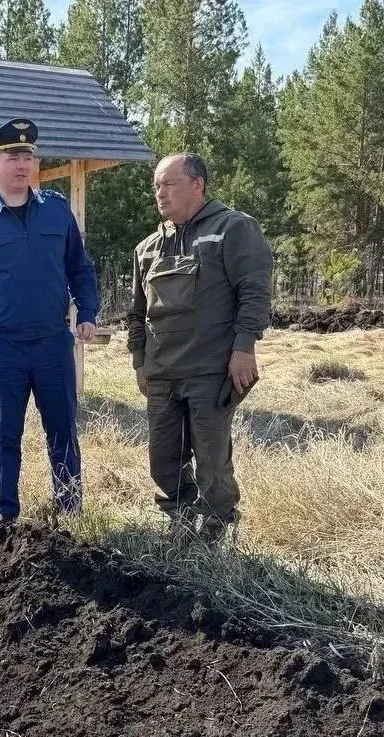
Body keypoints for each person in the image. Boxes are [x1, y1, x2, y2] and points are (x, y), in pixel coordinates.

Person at [0, 118, 100, 524]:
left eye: (28, 156)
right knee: (5, 434)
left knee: (62, 429)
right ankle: (5, 509)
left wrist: (87, 311)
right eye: (12, 156)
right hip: (4, 348)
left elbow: (79, 268)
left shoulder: (57, 212)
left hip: (52, 343)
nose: (22, 164)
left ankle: (69, 507)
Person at [126, 153, 273, 545]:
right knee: (163, 459)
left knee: (211, 459)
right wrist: (140, 361)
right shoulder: (147, 249)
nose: (161, 193)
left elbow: (255, 292)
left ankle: (216, 528)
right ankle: (178, 519)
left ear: (197, 185)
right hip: (162, 374)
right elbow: (136, 313)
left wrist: (244, 348)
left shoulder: (233, 229)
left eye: (169, 183)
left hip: (211, 371)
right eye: (157, 185)